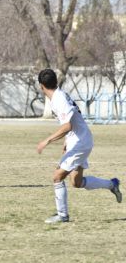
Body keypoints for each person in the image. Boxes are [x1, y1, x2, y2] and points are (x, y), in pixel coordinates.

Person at [37, 68, 122, 224]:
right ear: (56, 81)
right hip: (80, 140)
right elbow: (74, 119)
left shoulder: (58, 99)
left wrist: (46, 140)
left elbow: (67, 126)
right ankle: (112, 184)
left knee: (57, 177)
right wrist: (66, 141)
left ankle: (62, 215)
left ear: (41, 86)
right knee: (76, 182)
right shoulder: (59, 95)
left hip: (80, 142)